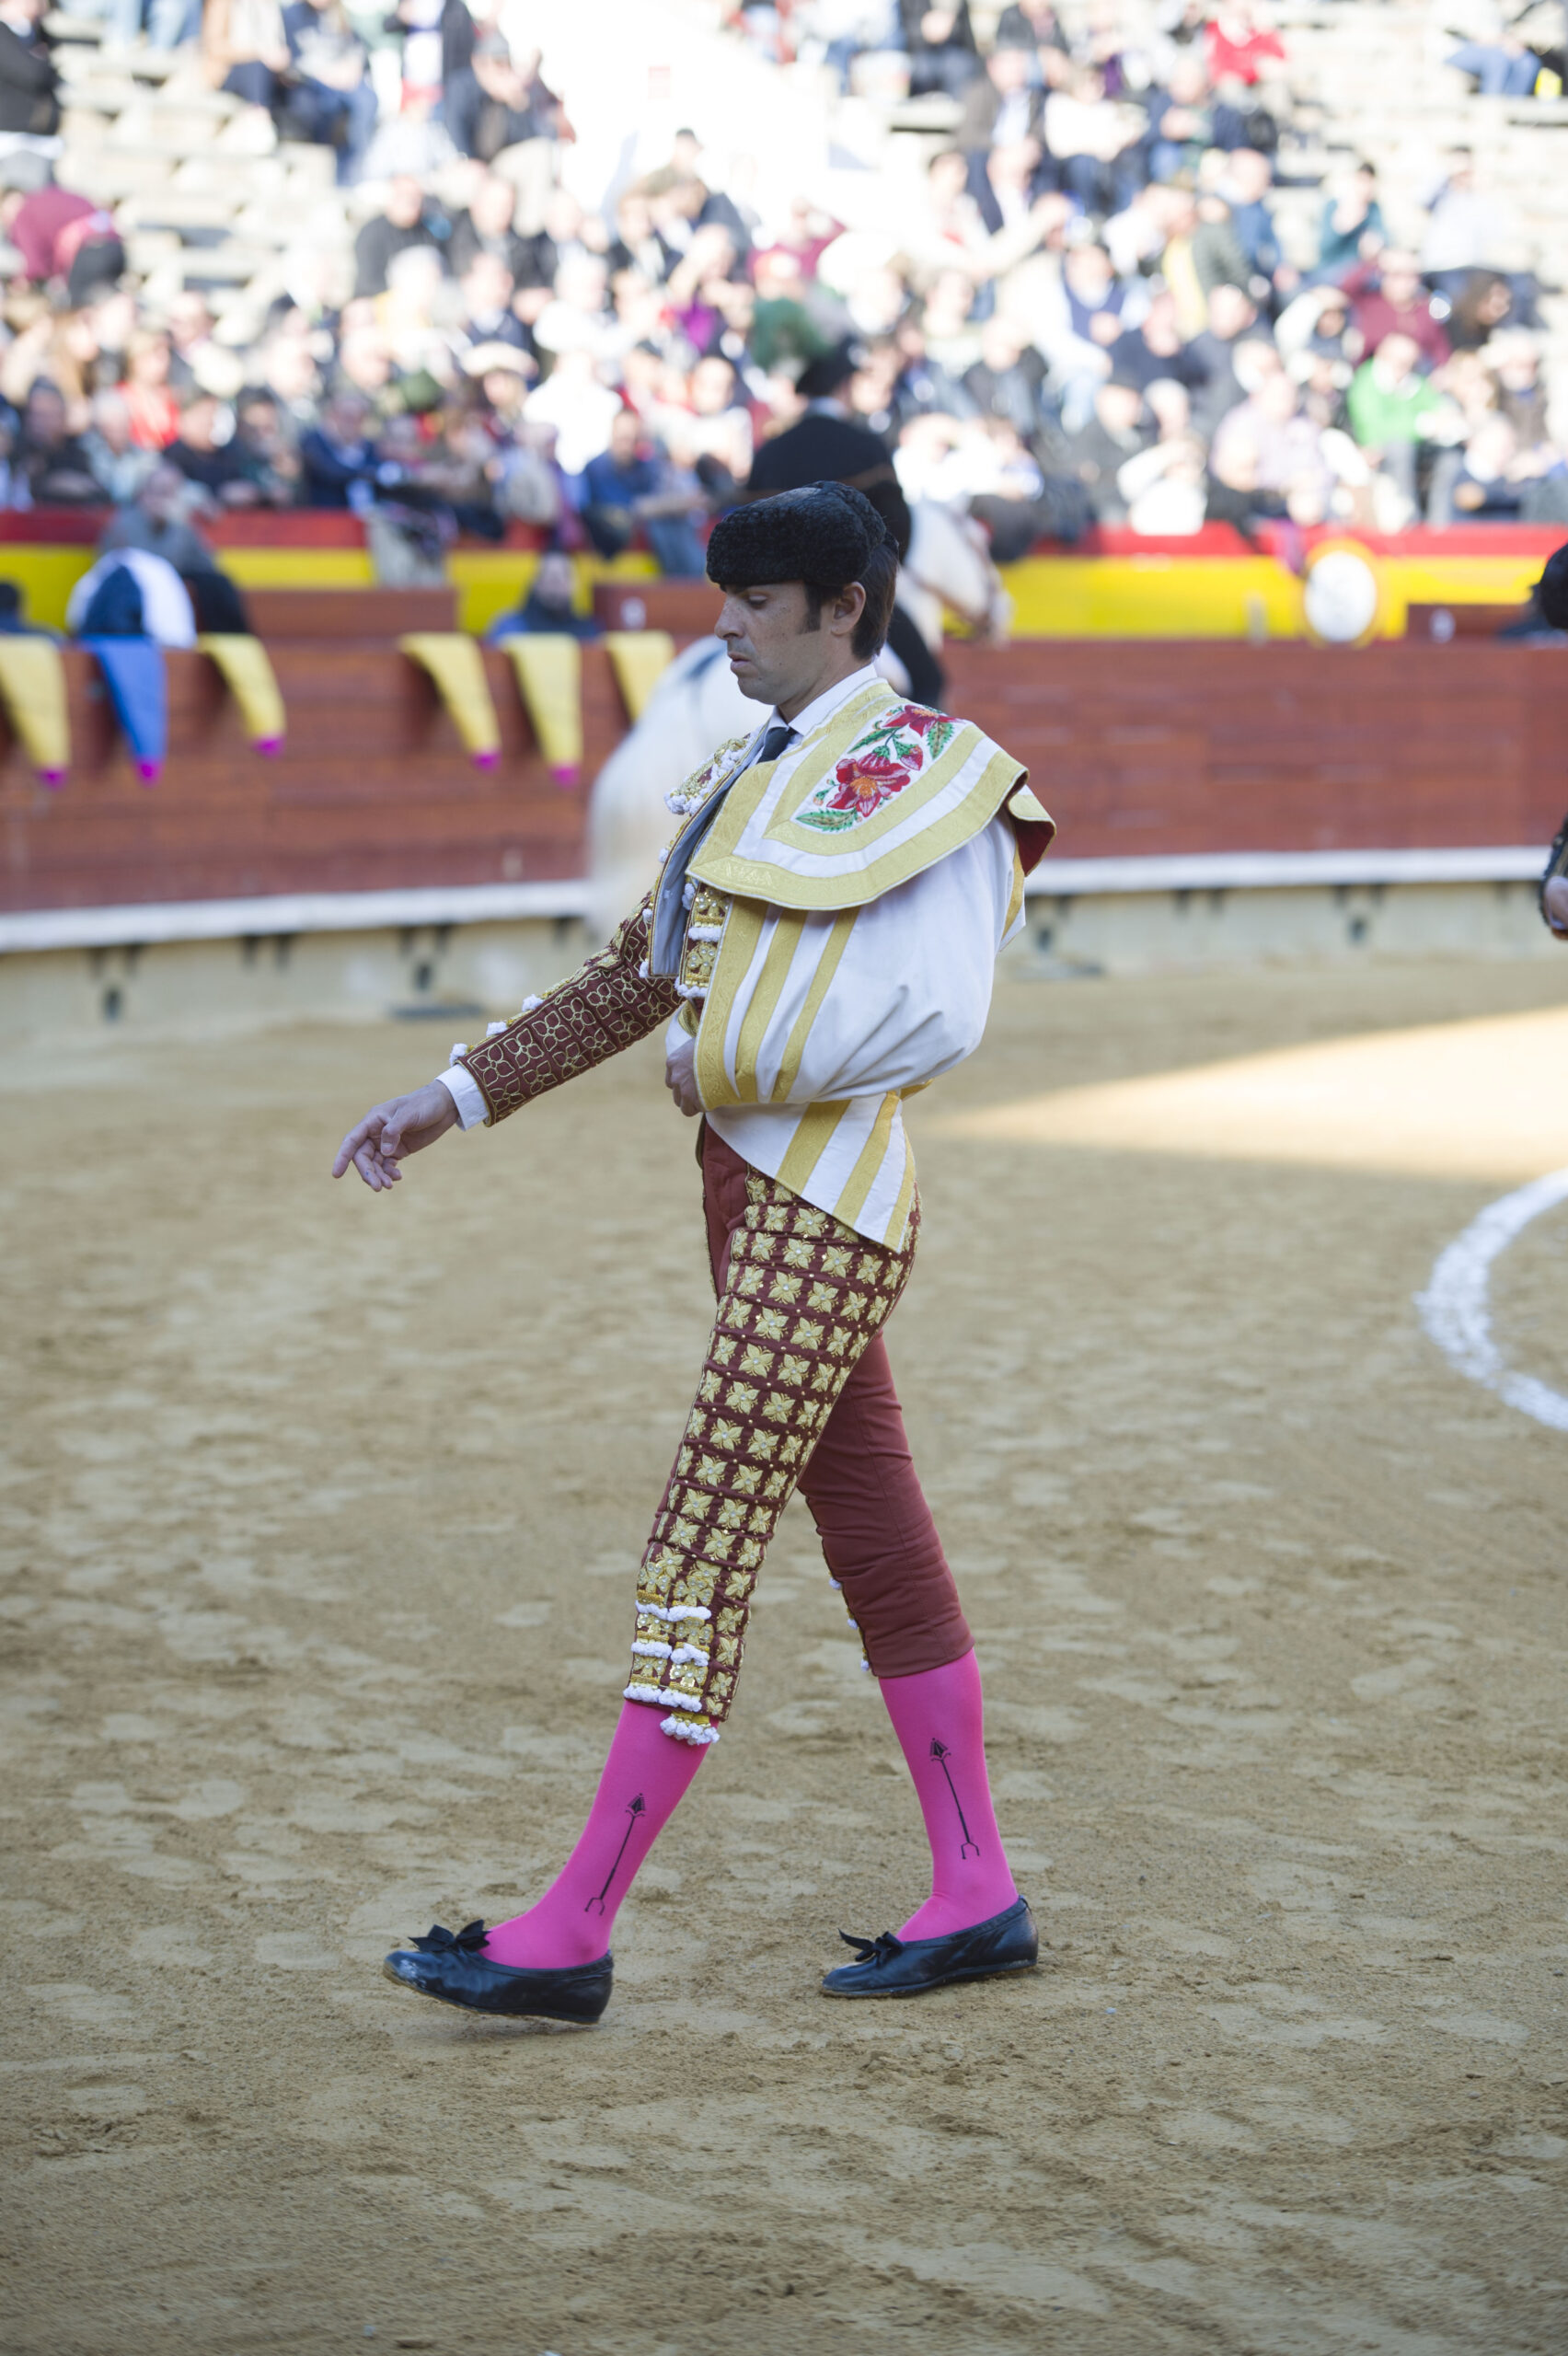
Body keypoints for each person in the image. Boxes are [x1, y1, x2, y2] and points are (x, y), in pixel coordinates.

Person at [333, 480, 1053, 2023]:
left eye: (755, 603)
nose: (720, 626)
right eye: (721, 597)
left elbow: (942, 1014)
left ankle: (568, 1932)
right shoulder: (748, 772)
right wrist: (450, 1098)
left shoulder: (934, 778)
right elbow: (632, 981)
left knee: (696, 1544)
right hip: (756, 1201)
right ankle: (975, 1888)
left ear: (842, 608)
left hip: (829, 1208)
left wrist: (731, 1067)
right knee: (873, 1537)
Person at [484, 546, 601, 640]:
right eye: (550, 576)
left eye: (564, 575)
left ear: (575, 584)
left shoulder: (588, 630)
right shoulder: (511, 627)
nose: (556, 582)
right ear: (536, 583)